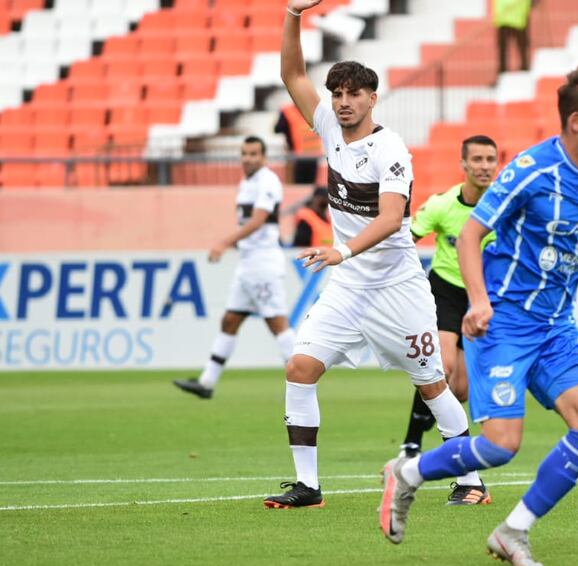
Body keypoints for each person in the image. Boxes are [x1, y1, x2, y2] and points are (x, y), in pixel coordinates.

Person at [378, 65, 578, 566]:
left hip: (556, 325)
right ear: (576, 122)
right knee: (500, 446)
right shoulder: (530, 171)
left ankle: (514, 531)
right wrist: (478, 301)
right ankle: (409, 472)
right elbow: (470, 234)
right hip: (505, 323)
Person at [264, 0, 473, 510]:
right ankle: (308, 487)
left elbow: (389, 218)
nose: (341, 102)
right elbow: (291, 71)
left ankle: (471, 480)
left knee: (431, 383)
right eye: (336, 93)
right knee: (299, 368)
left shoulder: (391, 150)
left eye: (352, 93)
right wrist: (293, 14)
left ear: (373, 98)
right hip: (351, 286)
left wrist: (342, 250)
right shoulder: (329, 129)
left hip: (397, 285)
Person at [399, 134, 499, 506]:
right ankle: (412, 442)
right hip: (444, 291)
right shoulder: (442, 205)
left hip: (483, 297)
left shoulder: (504, 206)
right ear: (464, 164)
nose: (485, 165)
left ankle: (447, 457)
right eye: (478, 159)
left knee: (459, 390)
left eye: (491, 159)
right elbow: (404, 237)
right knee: (440, 365)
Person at [173, 136, 295, 399]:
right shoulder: (246, 183)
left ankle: (303, 376)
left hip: (263, 263)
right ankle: (207, 382)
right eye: (244, 153)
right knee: (230, 320)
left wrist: (224, 242)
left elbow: (259, 220)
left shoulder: (268, 180)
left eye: (253, 154)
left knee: (277, 323)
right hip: (248, 264)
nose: (248, 158)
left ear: (263, 157)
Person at [275, 102, 322, 184]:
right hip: (306, 155)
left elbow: (278, 129)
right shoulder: (314, 109)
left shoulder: (288, 111)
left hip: (301, 156)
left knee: (299, 186)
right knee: (307, 186)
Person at [494, 0, 534, 74]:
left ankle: (524, 67)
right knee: (502, 46)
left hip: (517, 14)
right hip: (503, 16)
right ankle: (502, 71)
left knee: (521, 44)